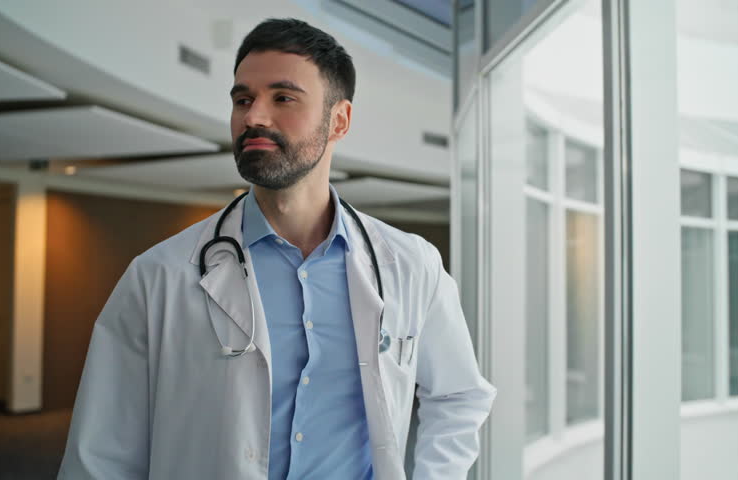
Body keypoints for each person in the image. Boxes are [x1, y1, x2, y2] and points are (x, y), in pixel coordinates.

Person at [58, 18, 495, 480]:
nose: (253, 117)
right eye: (243, 99)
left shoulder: (411, 265)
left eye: (282, 98)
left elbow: (459, 396)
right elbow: (100, 454)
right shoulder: (158, 275)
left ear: (339, 120)